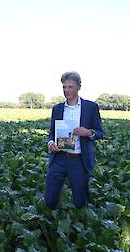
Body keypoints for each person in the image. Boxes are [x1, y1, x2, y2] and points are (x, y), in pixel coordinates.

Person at [45, 71, 103, 209]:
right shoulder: (57, 108)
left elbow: (100, 132)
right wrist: (51, 142)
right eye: (64, 87)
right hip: (58, 158)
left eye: (70, 87)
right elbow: (52, 132)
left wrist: (89, 132)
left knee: (80, 200)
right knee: (50, 198)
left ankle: (79, 226)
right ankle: (52, 222)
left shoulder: (90, 107)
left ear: (79, 87)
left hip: (79, 160)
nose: (66, 90)